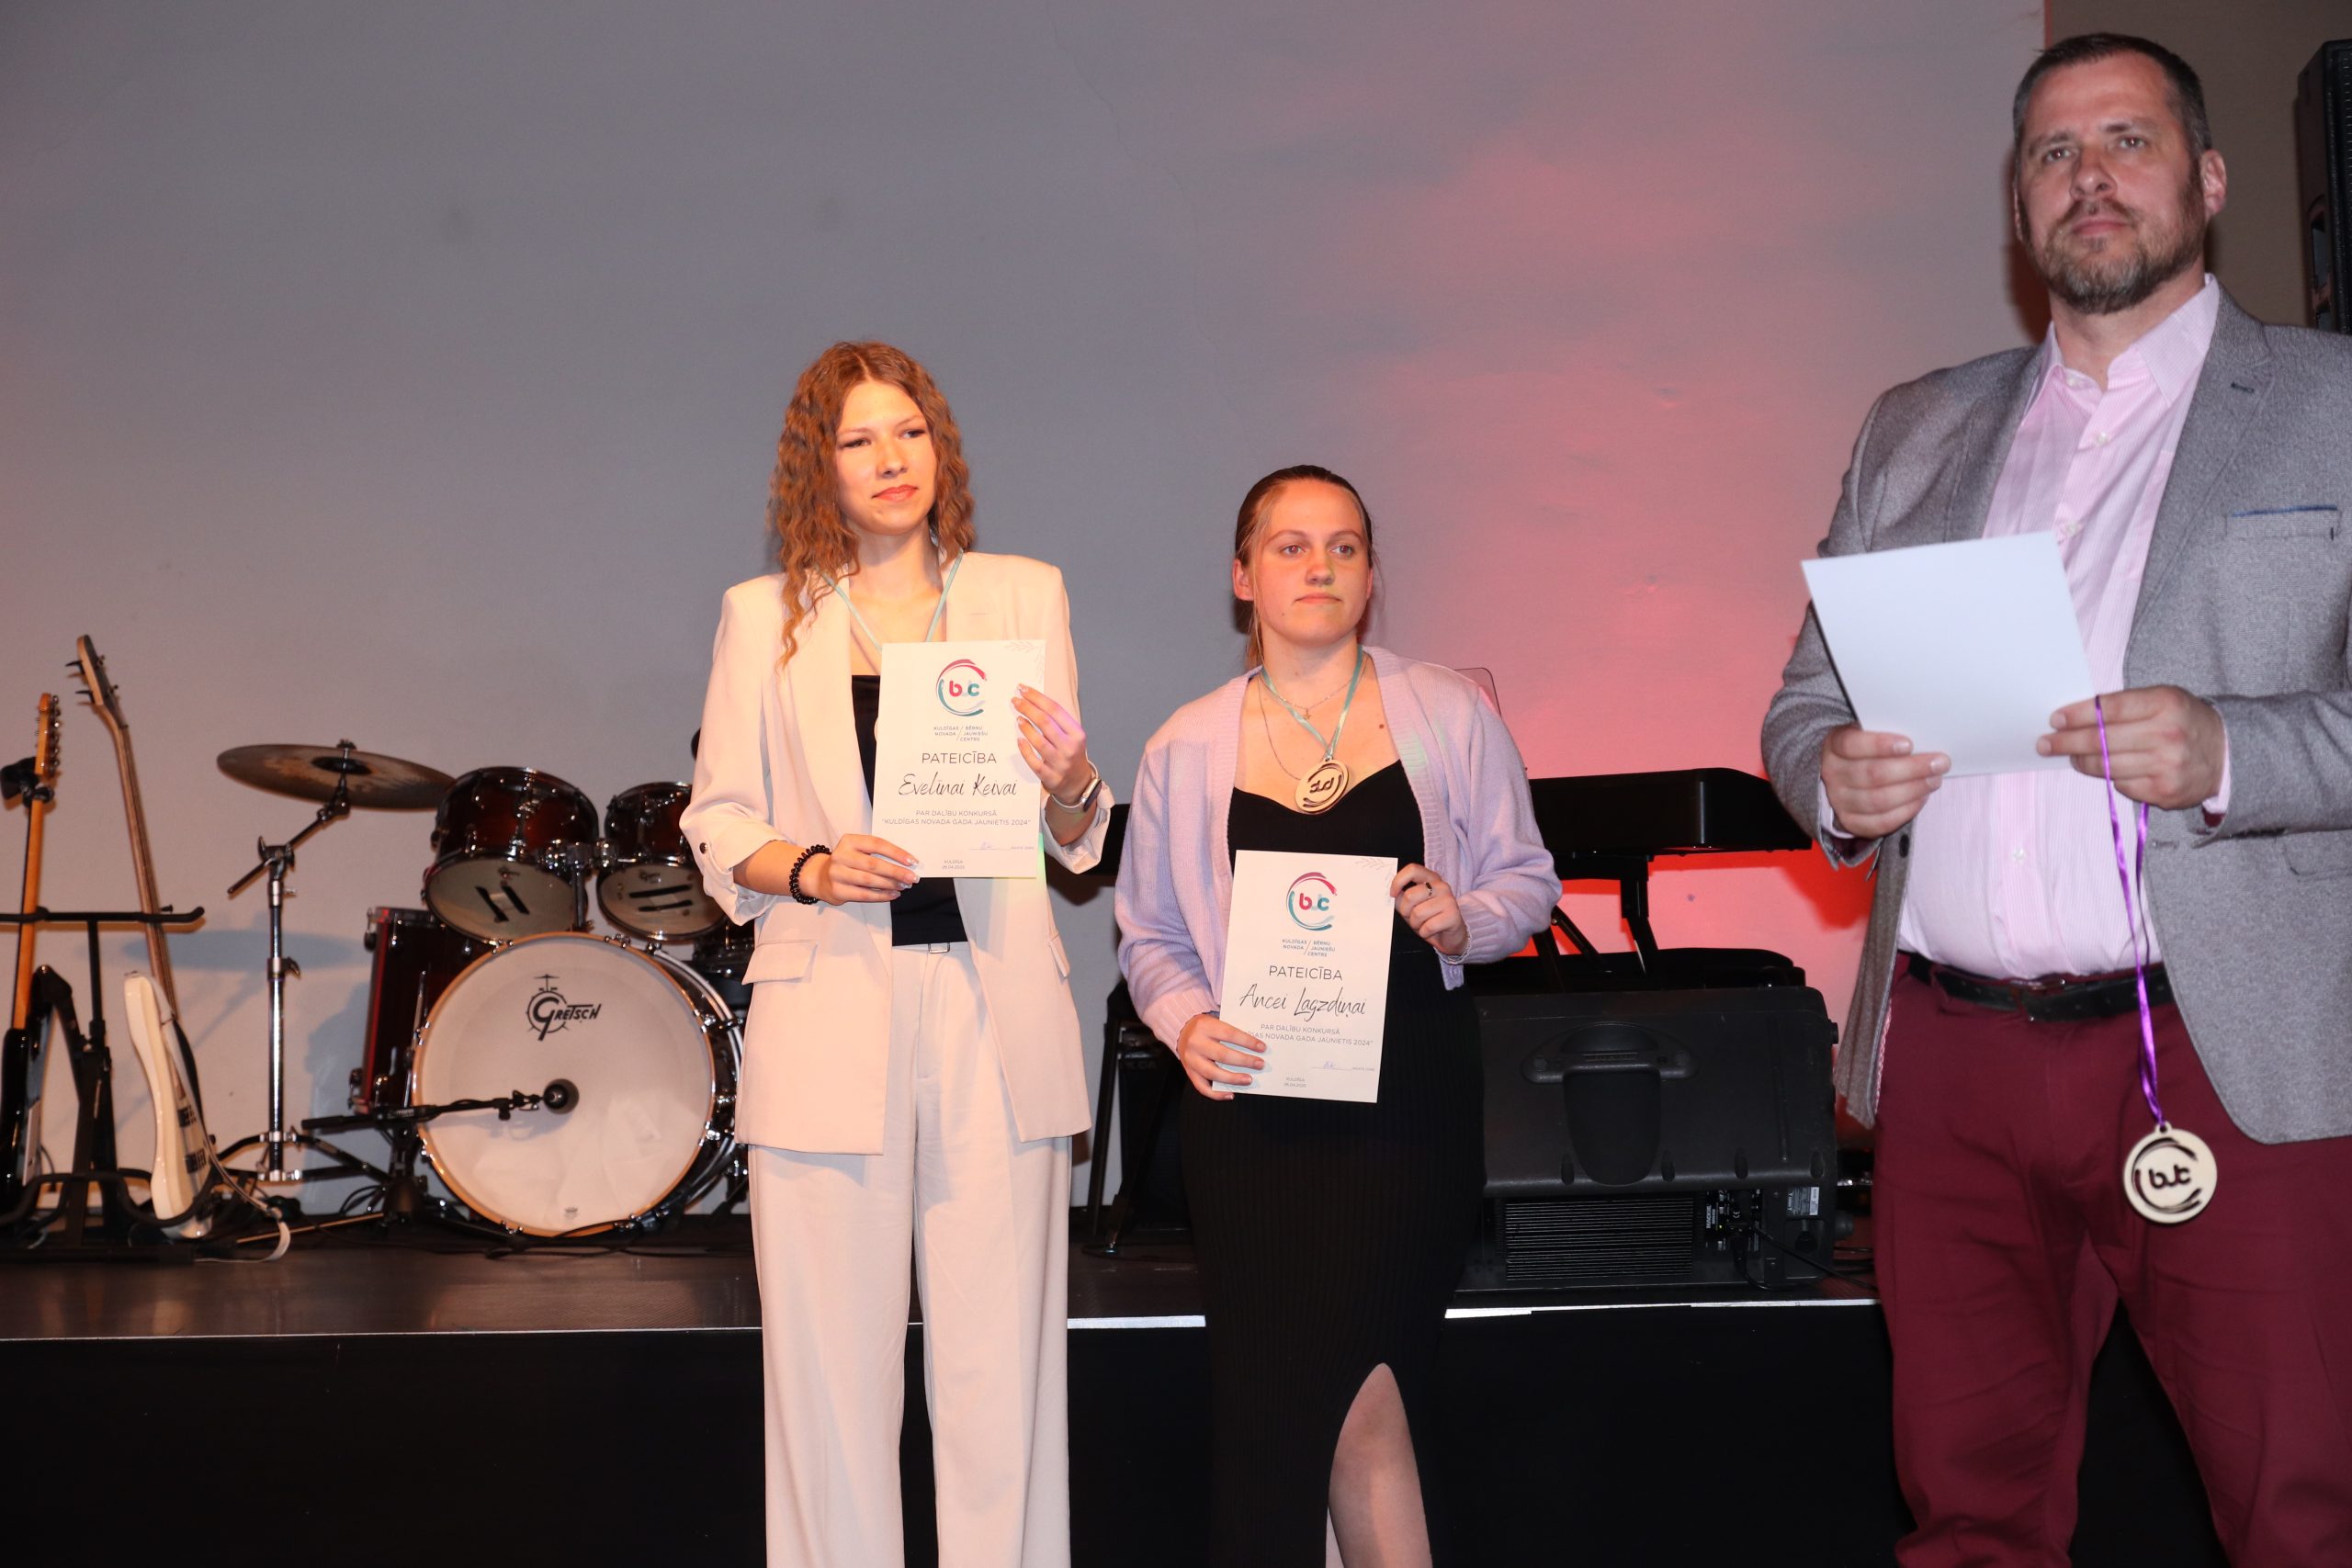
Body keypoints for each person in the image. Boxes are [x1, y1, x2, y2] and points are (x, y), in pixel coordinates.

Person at [1761, 34, 2352, 1564]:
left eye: (2128, 141)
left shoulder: (2334, 404)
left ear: (2208, 179)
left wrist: (2234, 750)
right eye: (2052, 152)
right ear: (2018, 205)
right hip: (1952, 1059)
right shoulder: (1914, 425)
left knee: (2303, 1507)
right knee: (1970, 1513)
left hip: (2225, 1045)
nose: (2090, 176)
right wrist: (1832, 773)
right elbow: (1805, 701)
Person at [683, 341, 1110, 1568]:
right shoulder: (763, 617)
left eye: (910, 431)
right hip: (831, 1003)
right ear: (818, 465)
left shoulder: (1022, 596)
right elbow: (719, 820)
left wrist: (1072, 778)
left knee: (1000, 1376)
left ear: (941, 449)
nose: (891, 458)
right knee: (827, 1381)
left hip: (993, 1010)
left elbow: (1073, 832)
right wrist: (815, 866)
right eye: (860, 438)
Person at [1114, 465, 1557, 1566]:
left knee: (1369, 1397)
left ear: (1370, 574)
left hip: (1407, 1110)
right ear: (1243, 577)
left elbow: (1527, 880)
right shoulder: (1184, 744)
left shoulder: (1447, 712)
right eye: (1291, 546)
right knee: (1274, 1422)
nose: (1320, 566)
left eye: (1344, 547)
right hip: (1253, 1118)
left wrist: (1465, 919)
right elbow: (1148, 935)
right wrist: (1187, 1023)